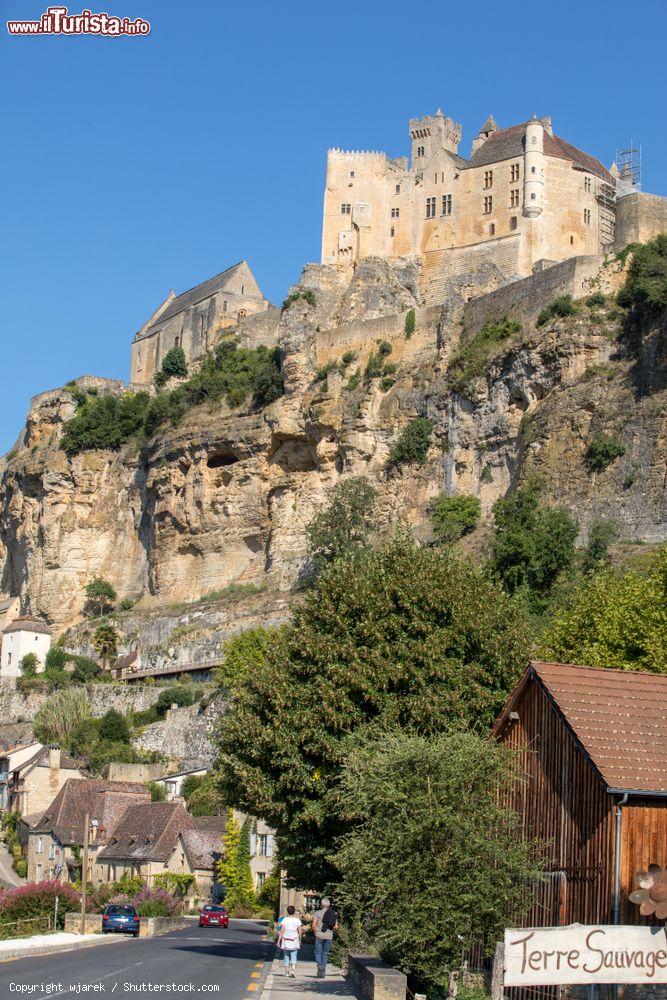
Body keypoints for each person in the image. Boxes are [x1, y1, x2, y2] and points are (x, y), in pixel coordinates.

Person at [311, 897, 338, 978]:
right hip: (329, 936)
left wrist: (315, 932)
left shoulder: (317, 913)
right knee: (325, 954)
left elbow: (314, 925)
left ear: (321, 904)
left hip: (319, 935)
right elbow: (336, 927)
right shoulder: (333, 913)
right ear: (329, 905)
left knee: (318, 952)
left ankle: (319, 965)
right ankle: (322, 973)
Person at [278, 905, 302, 977]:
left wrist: (278, 941)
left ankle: (286, 972)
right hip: (294, 940)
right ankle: (292, 971)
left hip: (286, 940)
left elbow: (282, 931)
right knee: (294, 956)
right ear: (294, 912)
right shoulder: (297, 920)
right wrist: (300, 940)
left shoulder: (284, 920)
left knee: (286, 956)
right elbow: (300, 931)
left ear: (287, 912)